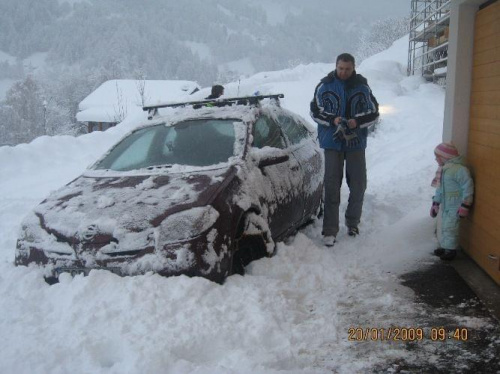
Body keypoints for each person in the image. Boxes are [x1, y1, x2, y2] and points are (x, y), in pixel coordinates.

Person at [310, 53, 379, 247]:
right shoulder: (324, 86)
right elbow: (314, 112)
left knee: (358, 185)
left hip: (356, 143)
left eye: (347, 69)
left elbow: (374, 113)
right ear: (336, 65)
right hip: (332, 143)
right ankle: (330, 230)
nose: (343, 72)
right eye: (340, 68)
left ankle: (352, 222)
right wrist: (333, 120)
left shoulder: (362, 87)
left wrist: (358, 121)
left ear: (353, 67)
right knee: (332, 186)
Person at [430, 142, 474, 260]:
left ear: (445, 157)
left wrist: (465, 205)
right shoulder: (443, 170)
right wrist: (436, 203)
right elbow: (440, 189)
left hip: (456, 205)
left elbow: (467, 187)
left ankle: (451, 250)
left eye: (437, 157)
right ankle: (445, 246)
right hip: (447, 205)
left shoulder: (460, 170)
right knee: (445, 226)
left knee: (451, 227)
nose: (436, 159)